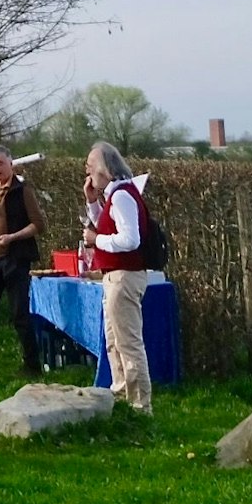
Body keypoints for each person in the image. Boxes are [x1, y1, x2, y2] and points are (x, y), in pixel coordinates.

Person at [82, 141, 152, 414]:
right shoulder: (117, 194)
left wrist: (95, 240)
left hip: (124, 276)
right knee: (114, 341)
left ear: (104, 168)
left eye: (90, 164)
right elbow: (107, 224)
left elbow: (130, 239)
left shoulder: (122, 195)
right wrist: (91, 202)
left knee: (128, 343)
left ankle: (139, 406)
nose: (87, 170)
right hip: (115, 277)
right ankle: (121, 396)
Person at [0, 144, 47, 377]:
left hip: (15, 259)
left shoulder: (22, 190)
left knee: (19, 313)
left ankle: (32, 363)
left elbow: (38, 224)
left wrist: (13, 237)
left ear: (10, 164)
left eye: (1, 163)